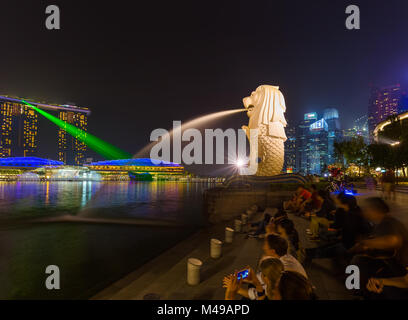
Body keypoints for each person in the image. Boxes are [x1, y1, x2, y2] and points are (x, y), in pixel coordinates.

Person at [350, 197, 408, 292]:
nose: (365, 212)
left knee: (358, 261)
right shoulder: (383, 223)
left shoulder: (388, 223)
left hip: (398, 268)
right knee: (359, 260)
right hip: (392, 264)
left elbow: (392, 240)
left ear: (375, 210)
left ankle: (355, 289)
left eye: (367, 209)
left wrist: (366, 242)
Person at [305, 193, 371, 264]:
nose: (336, 201)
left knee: (333, 249)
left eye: (338, 200)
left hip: (352, 246)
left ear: (344, 203)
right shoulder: (349, 211)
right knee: (328, 245)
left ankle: (308, 254)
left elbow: (357, 233)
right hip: (345, 239)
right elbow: (340, 226)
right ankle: (308, 252)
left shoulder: (354, 215)